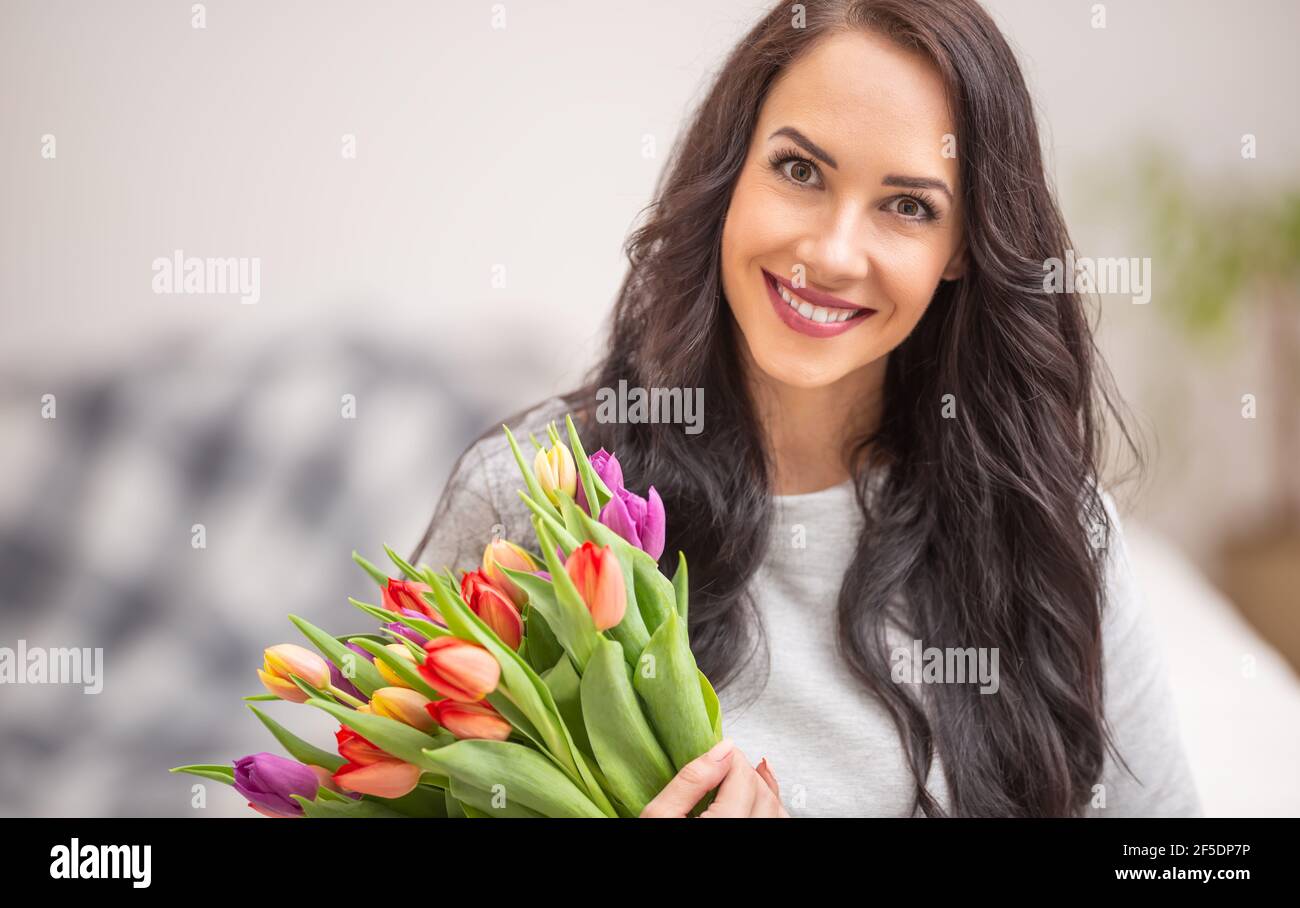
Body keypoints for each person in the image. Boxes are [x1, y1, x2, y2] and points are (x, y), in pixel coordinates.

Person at [410, 0, 1202, 818]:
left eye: (909, 206)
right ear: (732, 169)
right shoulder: (533, 500)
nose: (829, 253)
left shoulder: (1051, 534)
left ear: (964, 244)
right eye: (799, 171)